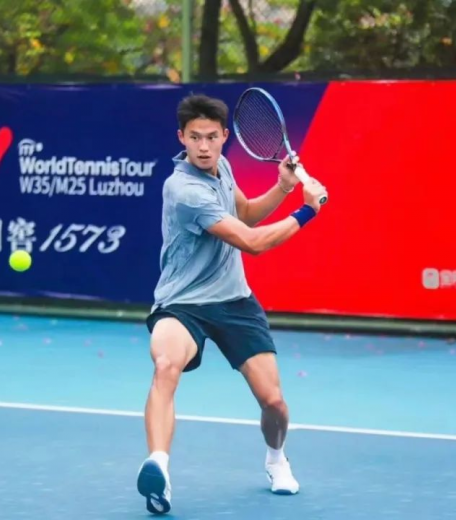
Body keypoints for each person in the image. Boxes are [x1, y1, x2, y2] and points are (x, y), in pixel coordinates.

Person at [136, 93, 328, 515]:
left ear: (225, 136)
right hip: (182, 303)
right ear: (181, 138)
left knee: (274, 403)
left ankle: (276, 459)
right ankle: (158, 467)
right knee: (166, 367)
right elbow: (252, 242)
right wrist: (306, 211)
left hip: (234, 300)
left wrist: (283, 187)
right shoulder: (183, 190)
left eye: (211, 137)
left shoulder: (221, 166)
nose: (204, 147)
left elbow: (245, 214)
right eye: (195, 138)